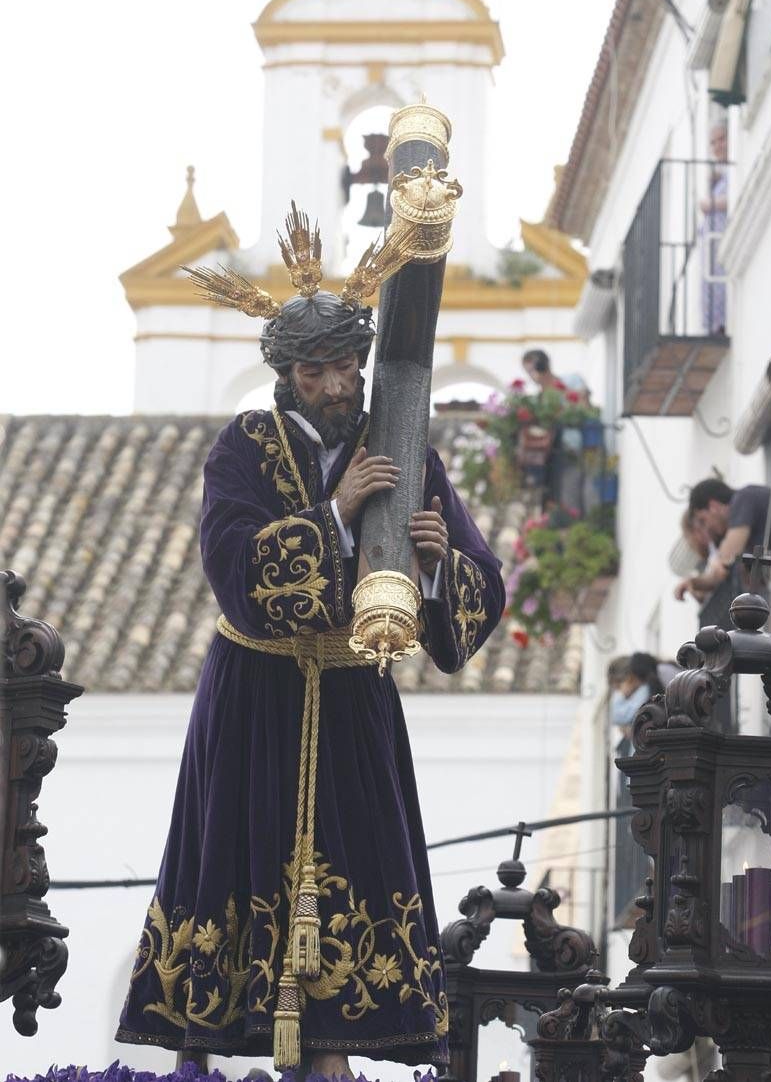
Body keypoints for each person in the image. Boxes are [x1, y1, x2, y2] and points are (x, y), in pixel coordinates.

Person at [116, 209, 505, 1076]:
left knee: (358, 881)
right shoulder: (243, 448)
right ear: (287, 376)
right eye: (315, 369)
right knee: (237, 873)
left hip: (355, 705)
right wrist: (335, 516)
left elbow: (477, 591)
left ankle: (333, 1053)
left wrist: (439, 565)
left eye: (345, 366)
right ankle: (218, 1043)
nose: (335, 385)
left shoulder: (402, 443)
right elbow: (235, 570)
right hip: (255, 701)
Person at [674, 478, 771, 603]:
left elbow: (727, 557)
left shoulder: (743, 499)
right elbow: (720, 572)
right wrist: (694, 582)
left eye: (703, 520)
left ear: (713, 506)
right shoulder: (747, 531)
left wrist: (718, 561)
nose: (707, 529)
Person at [699, 121, 728, 335]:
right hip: (712, 242)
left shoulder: (734, 167)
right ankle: (715, 324)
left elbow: (735, 198)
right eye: (713, 143)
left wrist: (711, 203)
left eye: (722, 139)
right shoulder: (719, 173)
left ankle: (721, 321)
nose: (718, 146)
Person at [521, 348, 589, 401]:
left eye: (531, 371)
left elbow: (584, 400)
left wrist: (562, 390)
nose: (530, 376)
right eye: (528, 372)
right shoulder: (540, 398)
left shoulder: (572, 379)